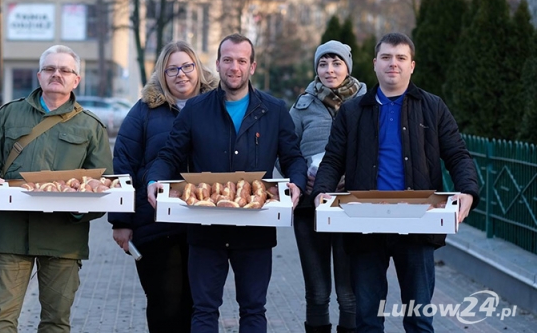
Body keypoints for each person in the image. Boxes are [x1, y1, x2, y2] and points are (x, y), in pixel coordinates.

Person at [312, 33, 478, 333]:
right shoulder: (352, 112)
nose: (393, 64)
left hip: (417, 225)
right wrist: (322, 191)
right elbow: (333, 159)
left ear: (411, 66)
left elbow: (457, 154)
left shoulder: (433, 107)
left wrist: (467, 190)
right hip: (364, 225)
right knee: (367, 319)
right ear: (375, 64)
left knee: (419, 319)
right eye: (386, 57)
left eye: (401, 58)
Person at [145, 33, 307, 332]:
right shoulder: (196, 109)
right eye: (228, 60)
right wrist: (154, 179)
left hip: (256, 228)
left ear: (252, 66)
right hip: (206, 229)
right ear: (217, 64)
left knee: (254, 310)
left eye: (241, 61)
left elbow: (293, 157)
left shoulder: (274, 110)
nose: (234, 67)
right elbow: (170, 153)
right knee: (204, 311)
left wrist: (296, 181)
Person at [0, 45, 113, 333]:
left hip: (63, 238)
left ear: (77, 80)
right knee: (0, 319)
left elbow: (105, 182)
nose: (56, 74)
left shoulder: (91, 126)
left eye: (65, 70)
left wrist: (80, 206)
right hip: (10, 232)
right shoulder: (9, 115)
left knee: (56, 323)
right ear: (39, 76)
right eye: (50, 69)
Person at [109, 41, 218, 333]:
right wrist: (120, 221)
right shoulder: (144, 111)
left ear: (198, 68)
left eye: (187, 66)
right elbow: (123, 164)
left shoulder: (218, 106)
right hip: (156, 225)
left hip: (205, 223)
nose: (180, 74)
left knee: (200, 305)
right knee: (165, 305)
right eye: (172, 69)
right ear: (162, 74)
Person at [289, 40, 367, 333]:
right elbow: (287, 151)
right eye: (323, 63)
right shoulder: (302, 106)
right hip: (311, 208)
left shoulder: (366, 104)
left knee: (349, 295)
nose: (329, 70)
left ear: (348, 66)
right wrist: (298, 178)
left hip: (353, 208)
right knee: (318, 293)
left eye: (336, 63)